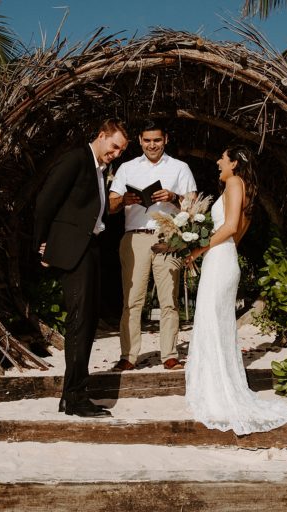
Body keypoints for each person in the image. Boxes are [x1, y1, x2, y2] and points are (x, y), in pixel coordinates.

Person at [184, 145, 287, 435]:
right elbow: (237, 232)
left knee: (211, 321)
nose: (218, 161)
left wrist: (198, 249)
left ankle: (217, 393)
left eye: (222, 157)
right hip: (226, 257)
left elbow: (231, 226)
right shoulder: (244, 188)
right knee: (217, 323)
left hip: (220, 260)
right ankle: (217, 385)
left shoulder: (234, 183)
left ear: (234, 163)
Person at [34, 118, 129, 417]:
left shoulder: (100, 169)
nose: (116, 154)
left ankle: (70, 396)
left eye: (121, 151)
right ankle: (76, 398)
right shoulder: (76, 159)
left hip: (90, 250)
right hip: (74, 251)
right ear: (101, 136)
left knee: (86, 324)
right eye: (114, 147)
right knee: (80, 325)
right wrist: (43, 244)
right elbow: (45, 202)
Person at [108, 120, 197, 371]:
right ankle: (128, 356)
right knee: (132, 300)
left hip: (168, 237)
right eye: (147, 140)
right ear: (139, 140)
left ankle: (169, 354)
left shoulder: (180, 168)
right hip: (135, 237)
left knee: (169, 299)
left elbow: (192, 208)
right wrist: (125, 198)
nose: (152, 145)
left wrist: (173, 197)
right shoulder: (126, 168)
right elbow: (111, 206)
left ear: (165, 139)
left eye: (157, 140)